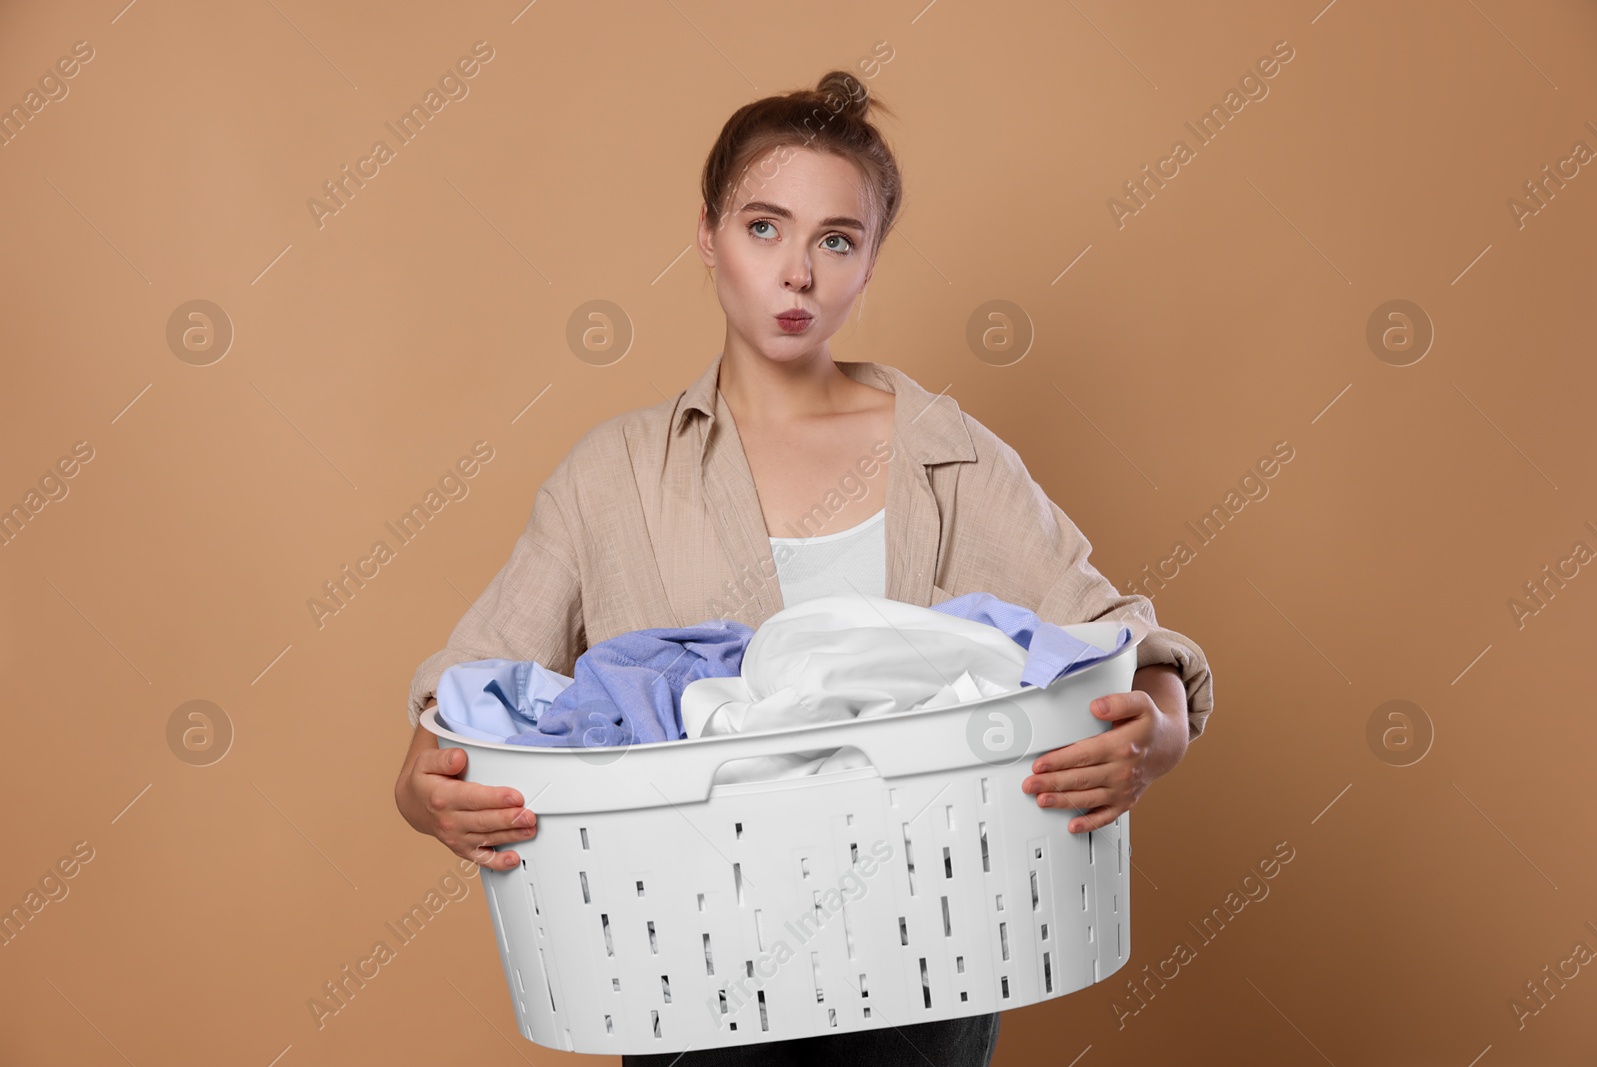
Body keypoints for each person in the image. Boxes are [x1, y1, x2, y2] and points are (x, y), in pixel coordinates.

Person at [395, 70, 1214, 1067]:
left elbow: (1111, 629)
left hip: (925, 954)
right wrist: (423, 787)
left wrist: (1158, 729)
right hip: (690, 970)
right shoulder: (610, 475)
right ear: (707, 236)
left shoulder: (944, 452)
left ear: (869, 260)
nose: (798, 273)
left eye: (837, 239)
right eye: (764, 227)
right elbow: (474, 692)